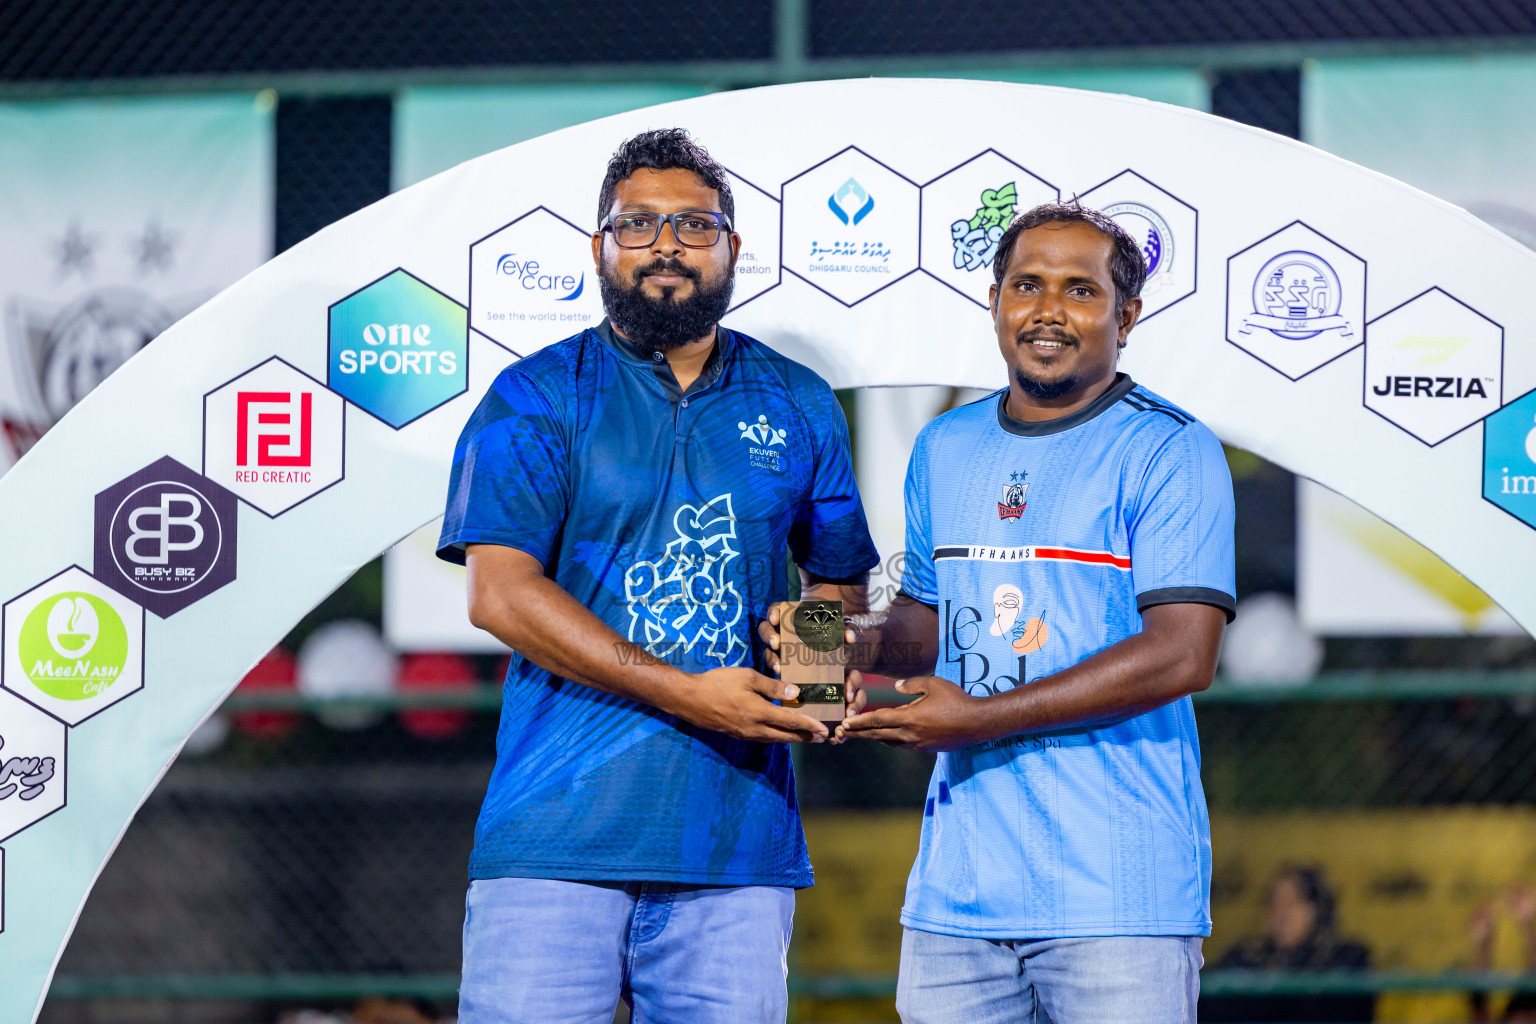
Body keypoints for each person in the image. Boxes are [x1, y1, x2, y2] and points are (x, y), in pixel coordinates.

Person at [437, 128, 879, 1024]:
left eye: (694, 224)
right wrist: (689, 693)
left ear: (732, 246)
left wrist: (816, 677)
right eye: (637, 224)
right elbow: (500, 594)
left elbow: (833, 584)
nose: (667, 245)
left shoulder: (798, 401)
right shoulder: (536, 395)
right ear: (599, 245)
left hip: (735, 845)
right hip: (556, 838)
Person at [820, 201, 1236, 1023]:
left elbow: (1183, 654)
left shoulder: (1170, 448)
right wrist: (831, 646)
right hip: (957, 898)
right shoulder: (946, 445)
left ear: (1127, 316)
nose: (1048, 310)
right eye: (1026, 285)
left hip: (1118, 898)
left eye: (1080, 290)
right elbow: (925, 626)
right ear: (995, 301)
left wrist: (978, 719)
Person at [1201, 865, 1372, 1023]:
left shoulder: (1346, 957)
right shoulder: (1247, 956)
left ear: (1315, 908)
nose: (1280, 911)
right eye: (1273, 901)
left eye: (1291, 901)